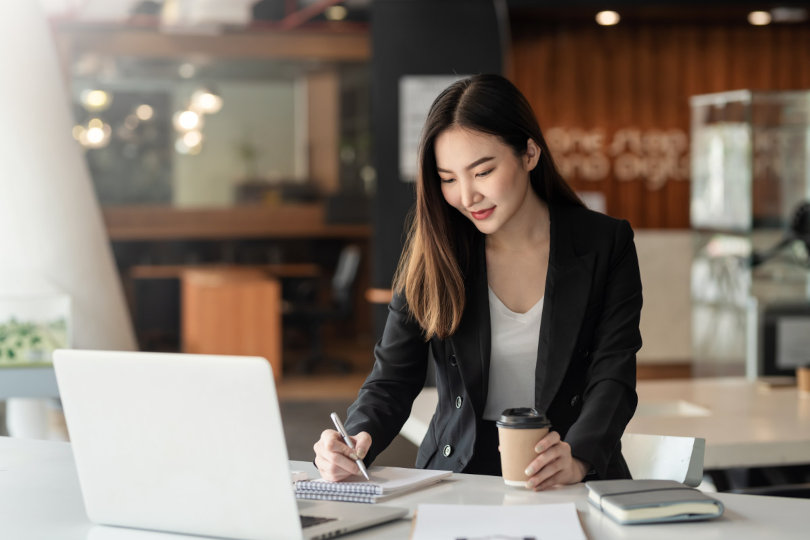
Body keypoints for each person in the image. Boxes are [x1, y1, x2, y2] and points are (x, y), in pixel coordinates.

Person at [314, 74, 642, 490]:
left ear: (529, 153)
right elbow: (392, 378)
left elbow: (613, 371)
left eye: (483, 171)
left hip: (569, 464)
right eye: (448, 179)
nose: (466, 196)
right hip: (458, 471)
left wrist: (579, 455)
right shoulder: (436, 251)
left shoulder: (604, 243)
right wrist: (353, 437)